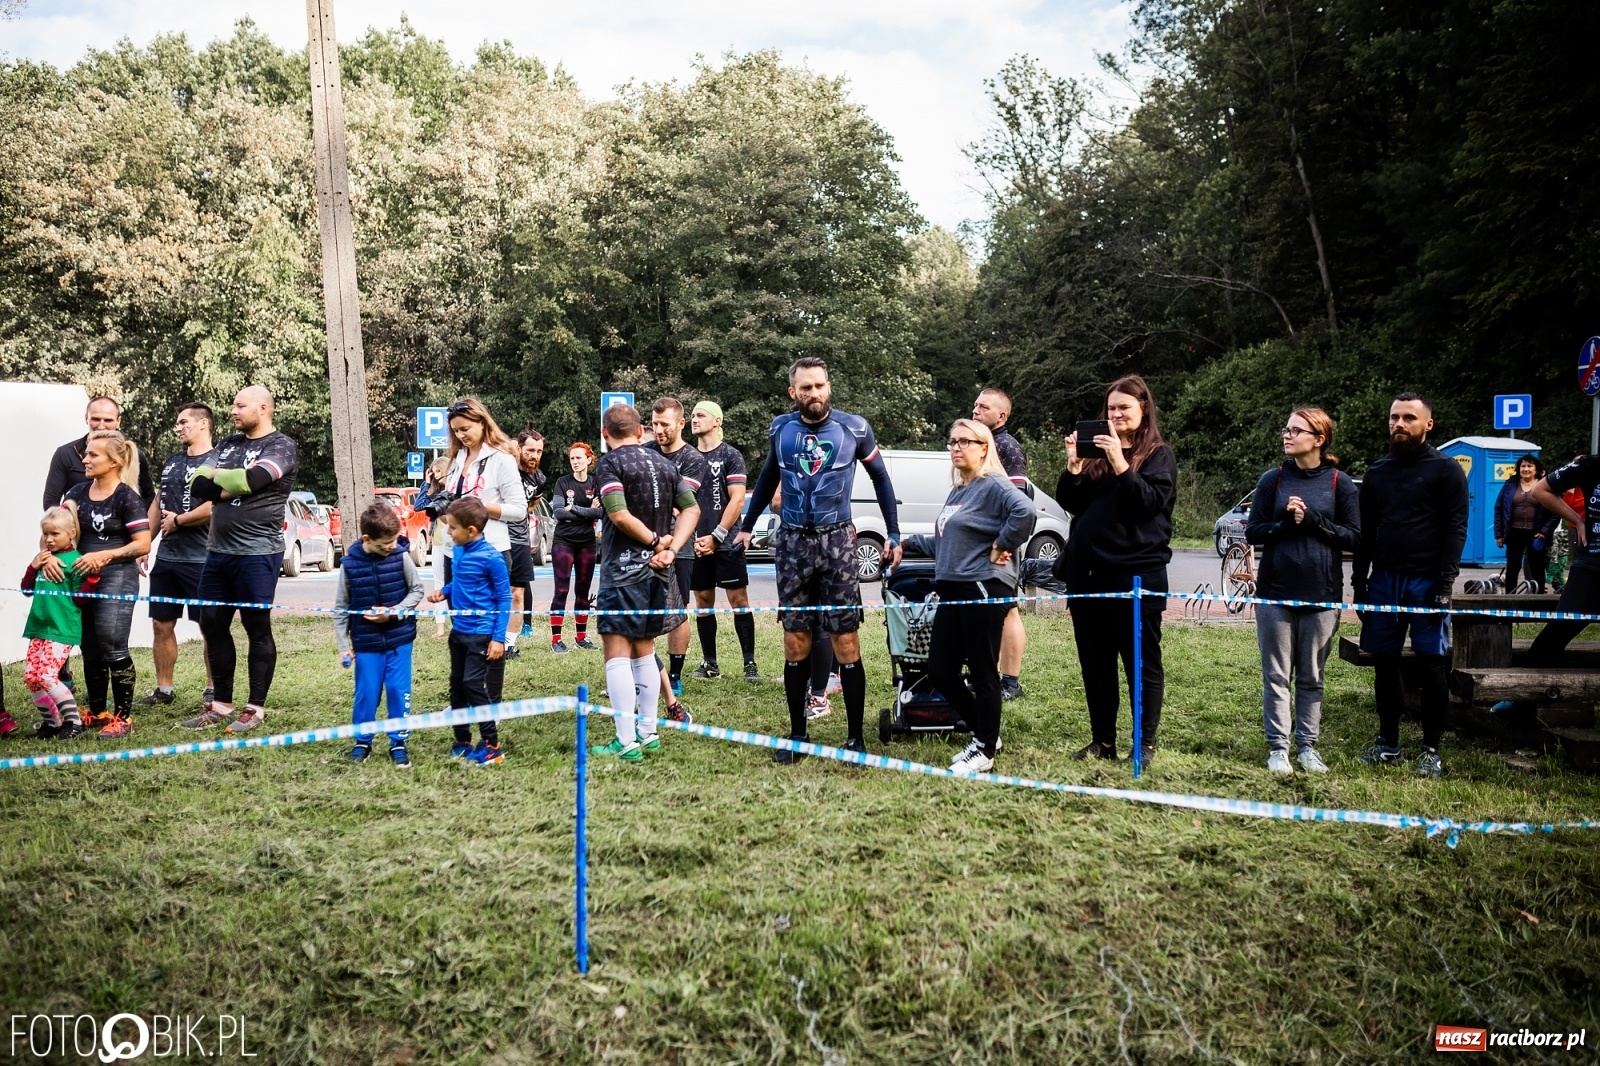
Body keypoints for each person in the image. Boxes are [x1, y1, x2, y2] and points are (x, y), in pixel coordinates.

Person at [737, 357, 902, 760]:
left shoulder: (855, 428)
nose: (814, 393)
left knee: (846, 639)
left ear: (829, 387)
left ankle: (855, 740)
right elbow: (768, 477)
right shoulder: (781, 428)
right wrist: (747, 525)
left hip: (838, 541)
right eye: (806, 387)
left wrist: (893, 532)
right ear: (793, 392)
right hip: (792, 542)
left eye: (820, 385)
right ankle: (798, 737)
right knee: (795, 639)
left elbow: (881, 478)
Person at [1056, 374, 1176, 764]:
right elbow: (1072, 503)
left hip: (1135, 576)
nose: (1116, 414)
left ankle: (1144, 744)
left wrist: (1120, 463)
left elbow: (1148, 504)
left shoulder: (1158, 455)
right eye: (1111, 408)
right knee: (1096, 663)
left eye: (1124, 407)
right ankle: (1103, 741)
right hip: (1087, 575)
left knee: (1140, 664)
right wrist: (1074, 468)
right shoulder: (1095, 453)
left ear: (1144, 408)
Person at [903, 419, 1034, 774]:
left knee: (981, 671)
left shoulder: (993, 484)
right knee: (940, 670)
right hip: (953, 588)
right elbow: (945, 540)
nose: (956, 448)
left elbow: (1025, 512)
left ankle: (984, 750)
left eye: (965, 441)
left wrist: (1002, 544)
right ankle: (985, 731)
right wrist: (905, 544)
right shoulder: (960, 490)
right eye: (952, 442)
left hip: (982, 585)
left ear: (984, 447)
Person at [1352, 392, 1469, 778]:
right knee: (1384, 662)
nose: (1399, 424)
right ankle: (1388, 744)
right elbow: (1365, 533)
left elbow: (1456, 529)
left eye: (1408, 418)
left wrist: (1444, 585)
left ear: (1428, 425)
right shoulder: (1377, 473)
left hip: (1427, 582)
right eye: (1394, 417)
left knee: (1431, 663)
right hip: (1384, 580)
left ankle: (1431, 750)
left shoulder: (1446, 471)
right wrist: (1359, 584)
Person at [1245, 408, 1360, 775]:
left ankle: (1308, 747)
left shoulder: (1340, 482)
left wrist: (1311, 520)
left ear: (1319, 439)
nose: (1287, 435)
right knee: (1277, 676)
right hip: (1275, 594)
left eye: (1296, 430)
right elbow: (1253, 531)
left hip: (1322, 595)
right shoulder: (1273, 479)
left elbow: (1353, 537)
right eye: (1286, 429)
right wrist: (1285, 523)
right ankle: (1278, 749)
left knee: (1311, 677)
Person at [181, 386, 300, 734]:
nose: (232, 411)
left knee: (256, 627)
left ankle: (254, 708)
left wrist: (223, 481)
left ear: (262, 408)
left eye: (240, 405)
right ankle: (220, 704)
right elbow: (196, 484)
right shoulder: (230, 444)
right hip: (218, 551)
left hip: (258, 552)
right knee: (212, 624)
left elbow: (254, 479)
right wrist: (232, 483)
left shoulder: (281, 446)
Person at [589, 403, 699, 762]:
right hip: (658, 571)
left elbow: (618, 514)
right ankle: (648, 733)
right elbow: (693, 509)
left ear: (605, 434)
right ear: (640, 432)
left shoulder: (609, 464)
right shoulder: (665, 464)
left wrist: (655, 541)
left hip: (623, 571)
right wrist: (672, 548)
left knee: (617, 653)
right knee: (645, 650)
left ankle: (625, 741)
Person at [49, 431, 152, 739]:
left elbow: (143, 544)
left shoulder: (127, 497)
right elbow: (54, 528)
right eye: (86, 453)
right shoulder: (76, 492)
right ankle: (97, 712)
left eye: (93, 454)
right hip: (81, 580)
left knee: (112, 644)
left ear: (114, 461)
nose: (85, 459)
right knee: (89, 646)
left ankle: (123, 717)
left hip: (117, 578)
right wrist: (47, 556)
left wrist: (106, 555)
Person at [439, 398, 525, 699]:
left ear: (482, 422)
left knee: (489, 632)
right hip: (455, 552)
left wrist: (478, 508)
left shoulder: (501, 459)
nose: (460, 435)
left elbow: (519, 510)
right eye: (455, 431)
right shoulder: (456, 458)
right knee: (462, 629)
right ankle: (464, 699)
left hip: (492, 551)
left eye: (465, 428)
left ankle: (492, 702)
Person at [138, 401, 217, 711]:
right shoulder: (173, 461)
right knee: (161, 624)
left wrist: (179, 521)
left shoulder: (220, 460)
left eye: (184, 422)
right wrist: (145, 543)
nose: (178, 427)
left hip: (203, 559)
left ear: (203, 424)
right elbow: (158, 503)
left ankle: (213, 689)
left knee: (210, 627)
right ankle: (164, 689)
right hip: (168, 558)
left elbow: (215, 507)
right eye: (178, 422)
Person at [335, 502, 425, 767]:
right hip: (366, 643)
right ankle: (363, 741)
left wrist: (394, 612)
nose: (392, 546)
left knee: (398, 690)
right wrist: (344, 645)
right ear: (367, 539)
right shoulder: (349, 565)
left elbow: (417, 590)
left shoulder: (401, 556)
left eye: (395, 540)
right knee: (367, 693)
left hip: (399, 640)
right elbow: (341, 607)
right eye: (386, 543)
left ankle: (398, 742)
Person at [427, 497, 512, 765]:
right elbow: (460, 583)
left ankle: (492, 745)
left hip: (481, 634)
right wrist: (444, 592)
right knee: (457, 687)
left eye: (453, 528)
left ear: (471, 530)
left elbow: (504, 599)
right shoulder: (460, 551)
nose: (449, 532)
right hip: (459, 633)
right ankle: (462, 740)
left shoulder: (491, 558)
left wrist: (498, 639)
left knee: (472, 684)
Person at [686, 400, 759, 682]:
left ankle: (749, 664)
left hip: (726, 541)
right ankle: (710, 664)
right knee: (703, 601)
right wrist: (692, 537)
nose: (694, 419)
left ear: (717, 421)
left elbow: (737, 500)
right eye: (692, 415)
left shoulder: (730, 455)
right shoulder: (687, 456)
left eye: (700, 415)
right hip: (696, 542)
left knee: (739, 600)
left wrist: (717, 536)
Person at [645, 397, 709, 698]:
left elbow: (680, 504)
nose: (659, 430)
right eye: (655, 424)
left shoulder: (693, 459)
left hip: (679, 544)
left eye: (665, 424)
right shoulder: (645, 452)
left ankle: (675, 675)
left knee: (678, 609)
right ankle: (641, 672)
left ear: (681, 424)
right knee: (640, 608)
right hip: (645, 541)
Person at [972, 387, 1031, 702]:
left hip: (1000, 542)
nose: (976, 410)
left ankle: (1011, 683)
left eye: (984, 407)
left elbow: (1020, 503)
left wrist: (1004, 542)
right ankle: (988, 678)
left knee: (1007, 609)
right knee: (986, 612)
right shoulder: (980, 443)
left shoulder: (1007, 447)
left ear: (1001, 416)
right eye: (975, 405)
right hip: (978, 541)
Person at [16, 508, 95, 739]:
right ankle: (52, 724)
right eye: (45, 534)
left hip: (61, 629)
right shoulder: (43, 558)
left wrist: (92, 579)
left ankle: (74, 723)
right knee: (32, 677)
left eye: (55, 534)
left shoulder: (76, 561)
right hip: (38, 627)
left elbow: (80, 600)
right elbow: (26, 590)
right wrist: (33, 566)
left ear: (71, 533)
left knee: (47, 676)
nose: (49, 539)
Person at [42, 395, 157, 518]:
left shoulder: (132, 454)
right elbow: (51, 501)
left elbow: (149, 496)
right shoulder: (65, 453)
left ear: (118, 421)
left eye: (108, 420)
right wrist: (68, 525)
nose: (101, 426)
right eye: (96, 419)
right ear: (86, 418)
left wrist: (136, 522)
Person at [549, 442, 602, 653]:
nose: (575, 461)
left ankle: (581, 637)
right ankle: (556, 640)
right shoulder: (562, 482)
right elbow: (559, 513)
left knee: (583, 591)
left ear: (589, 460)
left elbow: (601, 513)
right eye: (572, 458)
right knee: (561, 590)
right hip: (563, 541)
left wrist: (574, 509)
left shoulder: (596, 482)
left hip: (587, 542)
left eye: (579, 457)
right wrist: (587, 511)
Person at [504, 428, 546, 655]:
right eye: (529, 450)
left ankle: (509, 643)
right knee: (496, 593)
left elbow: (532, 504)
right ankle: (490, 639)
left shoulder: (540, 479)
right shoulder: (505, 468)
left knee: (518, 593)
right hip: (499, 539)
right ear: (519, 448)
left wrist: (521, 513)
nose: (534, 455)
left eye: (539, 451)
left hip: (520, 541)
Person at [1494, 456, 1556, 594]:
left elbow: (1555, 512)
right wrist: (1499, 534)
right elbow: (1499, 508)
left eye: (1529, 466)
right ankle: (1510, 598)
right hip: (1514, 532)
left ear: (1536, 469)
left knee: (1537, 568)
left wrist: (1544, 532)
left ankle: (1538, 599)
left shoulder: (1545, 485)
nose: (1526, 469)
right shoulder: (1510, 485)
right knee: (1512, 567)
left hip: (1537, 534)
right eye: (1523, 466)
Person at [414, 456, 453, 637]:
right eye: (433, 471)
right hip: (438, 542)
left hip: (456, 542)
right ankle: (440, 627)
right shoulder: (435, 493)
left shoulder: (456, 490)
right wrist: (426, 482)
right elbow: (418, 506)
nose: (436, 474)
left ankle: (459, 622)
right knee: (439, 583)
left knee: (457, 583)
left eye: (438, 471)